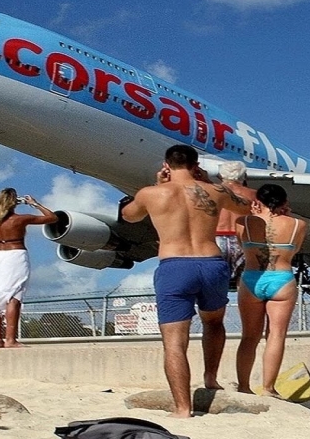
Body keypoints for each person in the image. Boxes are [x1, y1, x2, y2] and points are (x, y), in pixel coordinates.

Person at [120, 144, 251, 418]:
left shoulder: (151, 194)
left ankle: (183, 408)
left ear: (166, 165)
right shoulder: (215, 191)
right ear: (196, 164)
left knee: (174, 343)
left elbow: (128, 216)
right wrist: (206, 182)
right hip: (212, 263)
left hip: (175, 265)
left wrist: (158, 184)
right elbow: (245, 206)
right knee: (214, 322)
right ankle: (211, 379)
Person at [235, 184, 307, 398]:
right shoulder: (298, 225)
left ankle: (244, 386)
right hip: (282, 279)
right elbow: (295, 250)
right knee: (276, 335)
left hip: (252, 278)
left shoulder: (243, 222)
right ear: (284, 202)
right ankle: (268, 388)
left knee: (249, 336)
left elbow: (241, 245)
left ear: (258, 201)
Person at [0, 188, 58, 348]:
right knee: (14, 297)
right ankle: (10, 339)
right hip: (15, 255)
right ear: (14, 202)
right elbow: (52, 218)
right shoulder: (20, 219)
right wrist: (34, 203)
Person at [214, 161, 257, 290]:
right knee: (244, 285)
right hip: (242, 239)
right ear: (243, 176)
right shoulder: (253, 194)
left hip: (217, 238)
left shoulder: (212, 192)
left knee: (215, 284)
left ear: (221, 175)